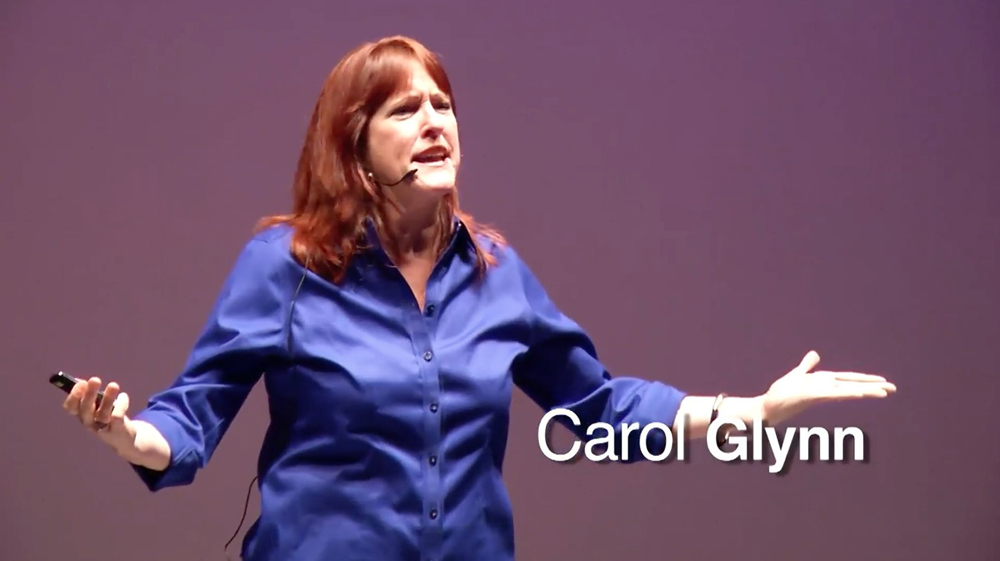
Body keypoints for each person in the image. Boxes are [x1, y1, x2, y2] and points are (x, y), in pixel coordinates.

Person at [60, 35, 896, 560]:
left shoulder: (496, 271)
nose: (434, 121)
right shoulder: (286, 264)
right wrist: (130, 432)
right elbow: (192, 416)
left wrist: (751, 410)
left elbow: (600, 407)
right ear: (354, 150)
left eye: (443, 105)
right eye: (403, 109)